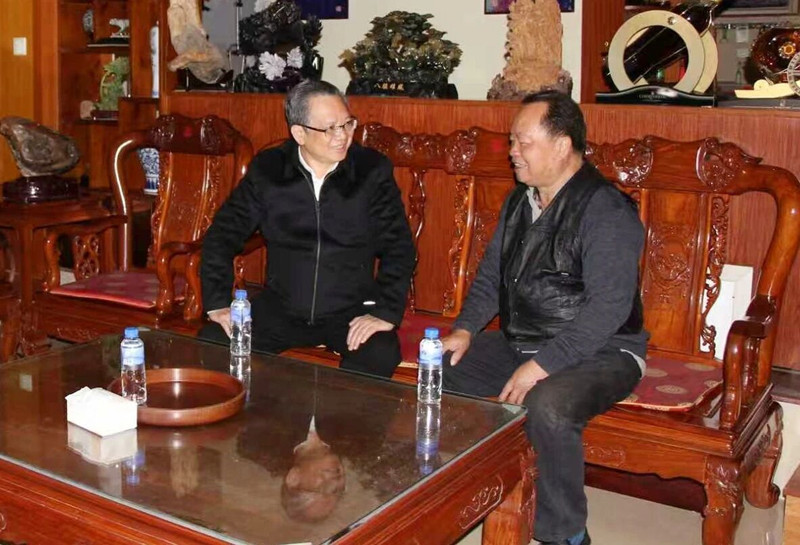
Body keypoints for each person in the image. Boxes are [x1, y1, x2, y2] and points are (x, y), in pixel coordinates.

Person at [441, 91, 648, 545]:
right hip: (524, 340)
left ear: (562, 145)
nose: (512, 151)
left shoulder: (605, 210)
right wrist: (464, 330)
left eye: (524, 142)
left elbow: (608, 309)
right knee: (439, 369)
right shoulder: (522, 201)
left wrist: (541, 365)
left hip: (605, 350)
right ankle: (473, 491)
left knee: (548, 405)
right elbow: (491, 276)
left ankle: (566, 534)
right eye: (512, 141)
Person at [200, 79, 415, 378]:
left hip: (350, 311)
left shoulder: (371, 170)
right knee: (213, 342)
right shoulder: (269, 170)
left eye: (347, 124)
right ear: (299, 133)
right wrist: (217, 304)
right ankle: (268, 407)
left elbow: (399, 246)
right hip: (281, 307)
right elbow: (222, 234)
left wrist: (384, 313)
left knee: (379, 353)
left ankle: (336, 412)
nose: (342, 136)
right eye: (330, 129)